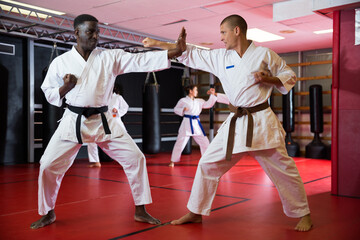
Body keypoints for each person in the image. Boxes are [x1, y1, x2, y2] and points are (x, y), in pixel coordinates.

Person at [142, 14, 312, 231]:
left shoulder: (264, 54)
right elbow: (189, 52)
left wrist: (269, 79)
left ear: (237, 31)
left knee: (283, 169)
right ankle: (195, 212)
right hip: (236, 122)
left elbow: (289, 75)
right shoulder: (222, 58)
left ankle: (303, 214)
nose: (221, 38)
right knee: (207, 164)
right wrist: (157, 43)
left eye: (223, 32)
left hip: (261, 121)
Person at [30, 14, 186, 229]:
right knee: (47, 165)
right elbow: (48, 93)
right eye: (89, 32)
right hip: (73, 120)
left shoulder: (109, 57)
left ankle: (141, 209)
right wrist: (65, 88)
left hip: (105, 121)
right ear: (76, 33)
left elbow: (139, 60)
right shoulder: (61, 62)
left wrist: (173, 52)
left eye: (97, 31)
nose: (95, 36)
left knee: (136, 158)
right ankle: (48, 212)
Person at [170, 85, 217, 167]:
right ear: (190, 91)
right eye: (196, 90)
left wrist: (212, 95)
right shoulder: (183, 100)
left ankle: (206, 160)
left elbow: (208, 104)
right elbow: (175, 109)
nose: (197, 92)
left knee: (205, 142)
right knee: (180, 143)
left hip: (196, 124)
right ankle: (173, 161)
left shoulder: (199, 101)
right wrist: (182, 110)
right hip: (187, 124)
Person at [88, 85, 129, 168]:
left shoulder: (117, 97)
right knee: (91, 140)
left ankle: (127, 160)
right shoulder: (100, 98)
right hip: (101, 122)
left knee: (123, 141)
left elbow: (125, 107)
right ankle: (95, 161)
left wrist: (117, 112)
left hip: (114, 121)